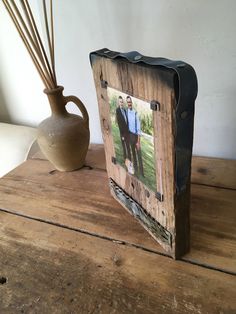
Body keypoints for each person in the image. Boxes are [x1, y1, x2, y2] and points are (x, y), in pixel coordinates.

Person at [126, 95, 144, 176]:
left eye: (130, 102)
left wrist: (138, 141)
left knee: (138, 155)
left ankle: (141, 173)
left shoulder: (135, 113)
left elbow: (139, 129)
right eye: (128, 102)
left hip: (136, 136)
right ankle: (136, 170)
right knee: (133, 153)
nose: (129, 103)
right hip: (130, 135)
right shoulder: (126, 112)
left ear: (132, 103)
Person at [116, 96, 131, 161]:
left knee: (128, 146)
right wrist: (122, 135)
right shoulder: (117, 110)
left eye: (122, 102)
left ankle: (130, 159)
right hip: (122, 132)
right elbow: (119, 124)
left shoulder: (125, 110)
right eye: (120, 102)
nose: (121, 103)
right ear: (118, 103)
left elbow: (126, 121)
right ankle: (125, 158)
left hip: (127, 132)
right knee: (124, 146)